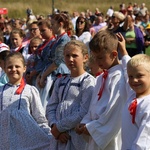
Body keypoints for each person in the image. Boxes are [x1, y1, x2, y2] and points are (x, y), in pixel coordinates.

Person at [75, 29, 127, 150]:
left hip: (109, 137)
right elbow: (94, 106)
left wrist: (92, 128)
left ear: (114, 55)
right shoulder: (100, 78)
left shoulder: (119, 77)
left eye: (100, 58)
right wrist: (85, 122)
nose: (97, 62)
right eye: (95, 58)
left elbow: (114, 112)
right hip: (95, 132)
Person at [46, 40, 96, 150]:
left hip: (76, 136)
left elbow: (84, 111)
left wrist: (60, 127)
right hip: (58, 137)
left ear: (85, 57)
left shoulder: (88, 81)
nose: (70, 59)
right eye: (67, 56)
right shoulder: (60, 81)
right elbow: (51, 106)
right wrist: (54, 127)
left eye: (75, 56)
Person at [0, 52, 51, 149]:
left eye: (17, 66)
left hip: (25, 142)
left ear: (24, 68)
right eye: (10, 67)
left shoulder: (30, 90)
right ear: (5, 69)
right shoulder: (1, 91)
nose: (13, 69)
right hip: (4, 141)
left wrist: (48, 135)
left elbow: (39, 118)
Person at [117, 32, 150, 149]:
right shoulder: (133, 94)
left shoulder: (148, 105)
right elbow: (127, 69)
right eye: (131, 76)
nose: (134, 80)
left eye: (140, 76)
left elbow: (144, 142)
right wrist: (123, 51)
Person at [38, 13, 71, 109]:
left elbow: (57, 62)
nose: (51, 27)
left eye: (53, 24)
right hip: (52, 75)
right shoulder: (58, 39)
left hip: (59, 75)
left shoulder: (64, 40)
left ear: (60, 24)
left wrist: (44, 75)